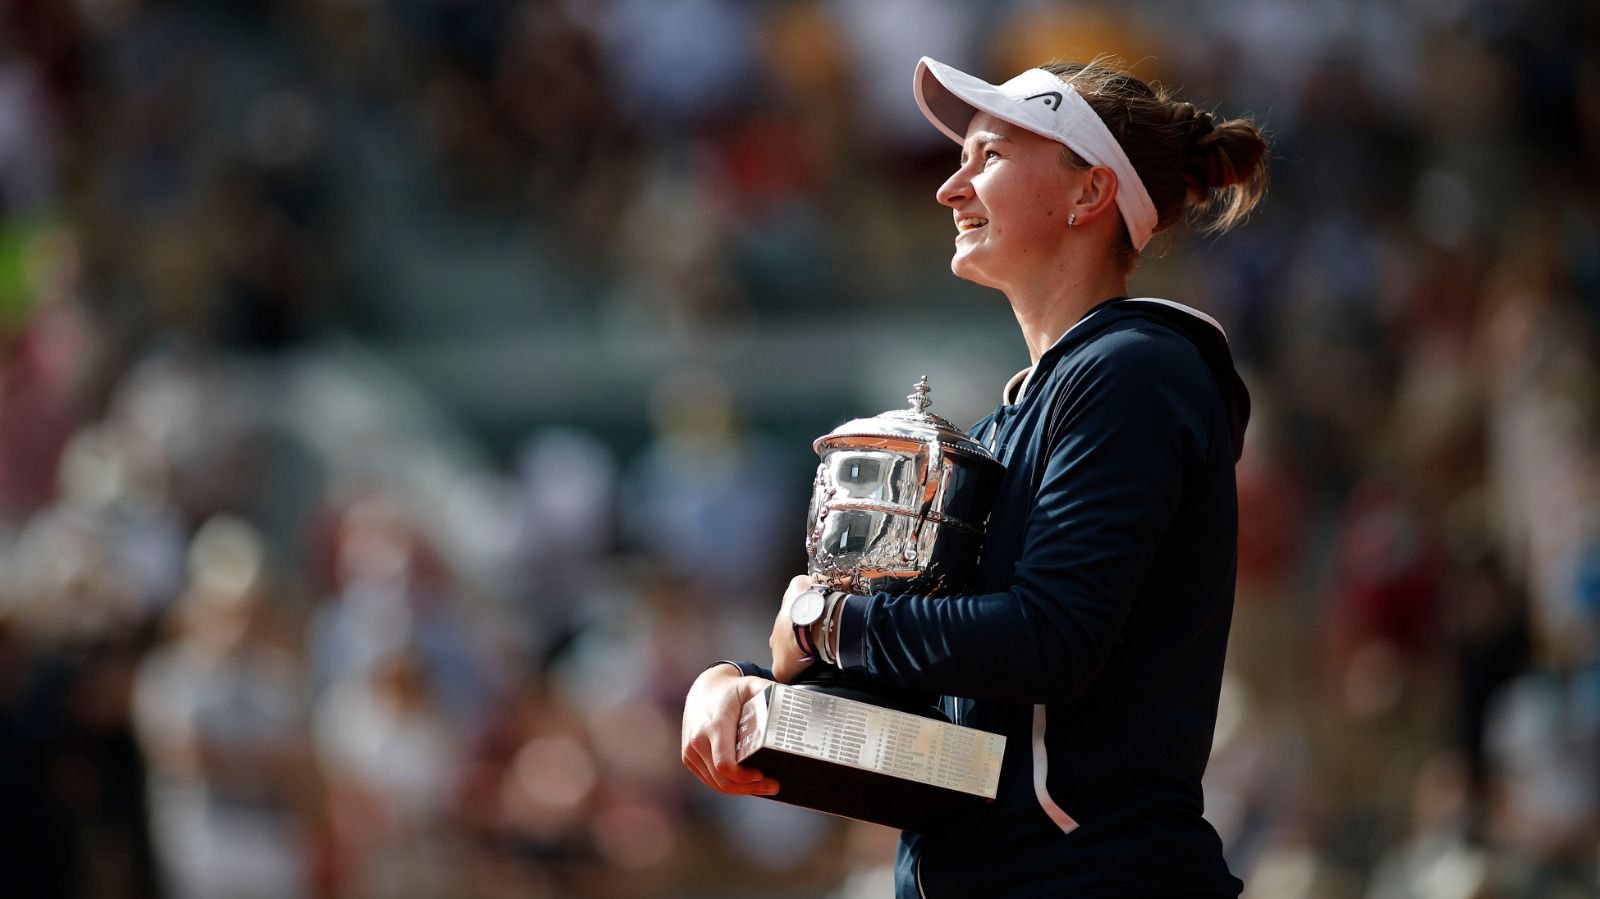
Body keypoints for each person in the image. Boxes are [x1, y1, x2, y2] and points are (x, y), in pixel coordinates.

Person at [682, 54, 1267, 897]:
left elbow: (1049, 639)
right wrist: (743, 689)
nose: (949, 188)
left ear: (1089, 192)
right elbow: (934, 697)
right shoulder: (1016, 418)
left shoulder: (1136, 370)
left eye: (988, 157)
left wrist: (822, 618)